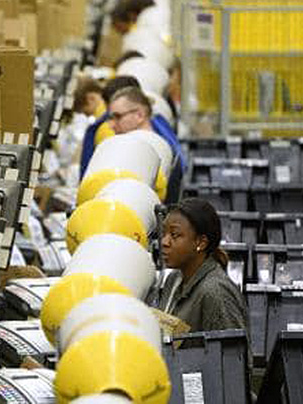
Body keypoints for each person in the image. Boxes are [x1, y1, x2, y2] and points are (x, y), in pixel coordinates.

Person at [159, 198, 248, 333]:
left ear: (201, 243)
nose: (164, 242)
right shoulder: (173, 279)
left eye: (174, 235)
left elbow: (231, 353)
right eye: (163, 233)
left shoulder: (216, 293)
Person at [106, 86, 184, 203]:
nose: (111, 125)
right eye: (111, 118)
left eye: (117, 117)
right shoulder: (158, 141)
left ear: (139, 115)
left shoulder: (145, 149)